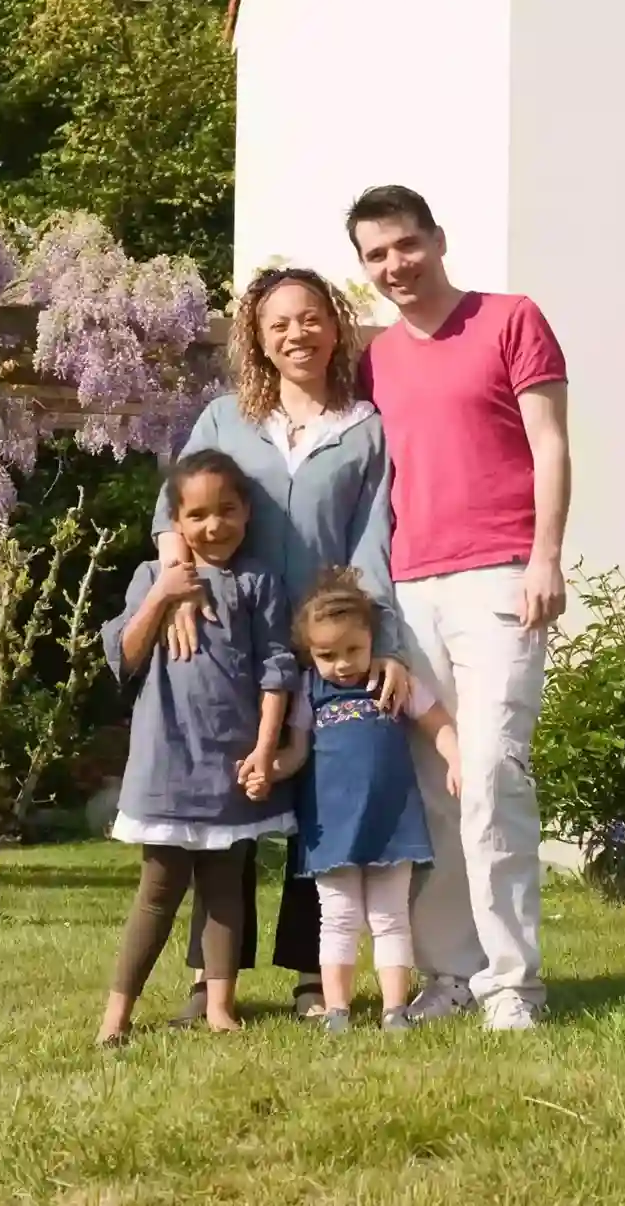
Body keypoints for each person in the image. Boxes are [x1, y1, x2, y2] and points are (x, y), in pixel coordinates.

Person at [152, 266, 412, 1022]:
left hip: (331, 641)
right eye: (277, 325)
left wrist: (381, 640)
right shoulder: (224, 420)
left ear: (334, 324)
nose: (296, 334)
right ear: (258, 341)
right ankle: (212, 978)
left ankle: (311, 974)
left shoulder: (366, 427)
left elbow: (374, 545)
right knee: (229, 802)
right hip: (236, 639)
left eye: (309, 319)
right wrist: (177, 574)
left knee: (322, 804)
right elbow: (175, 511)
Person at [348, 184, 572, 1033]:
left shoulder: (511, 320)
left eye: (406, 245)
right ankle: (453, 971)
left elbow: (550, 440)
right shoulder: (376, 358)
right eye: (377, 255)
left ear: (437, 240)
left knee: (490, 772)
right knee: (433, 788)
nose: (396, 265)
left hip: (502, 577)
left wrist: (545, 556)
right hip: (411, 588)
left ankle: (514, 983)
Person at [96, 450, 298, 1047]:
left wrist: (266, 750)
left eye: (227, 511)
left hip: (231, 763)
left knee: (225, 889)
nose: (215, 526)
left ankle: (219, 1006)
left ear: (247, 512)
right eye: (199, 515)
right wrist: (163, 594)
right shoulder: (148, 578)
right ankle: (116, 1016)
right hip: (167, 761)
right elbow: (125, 657)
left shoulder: (259, 584)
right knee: (157, 893)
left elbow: (276, 672)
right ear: (177, 522)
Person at [270, 568, 460, 1034]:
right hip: (330, 826)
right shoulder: (309, 692)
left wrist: (456, 759)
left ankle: (394, 1010)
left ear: (372, 637)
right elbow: (296, 751)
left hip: (390, 821)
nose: (341, 664)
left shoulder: (393, 682)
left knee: (389, 917)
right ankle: (337, 1010)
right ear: (309, 653)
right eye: (326, 655)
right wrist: (270, 768)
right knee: (337, 918)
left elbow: (437, 723)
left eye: (353, 649)